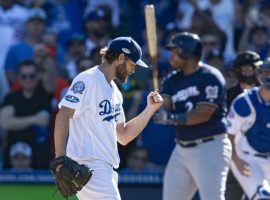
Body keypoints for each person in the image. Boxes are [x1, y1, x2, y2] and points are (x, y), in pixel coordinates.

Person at [53, 37, 163, 200]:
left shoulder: (115, 92)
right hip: (89, 164)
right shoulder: (88, 79)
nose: (133, 70)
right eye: (132, 64)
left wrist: (150, 109)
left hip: (106, 168)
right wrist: (60, 156)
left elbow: (124, 136)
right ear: (120, 58)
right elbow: (63, 114)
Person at [154, 32, 231, 200]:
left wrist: (171, 118)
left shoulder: (210, 76)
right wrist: (157, 104)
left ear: (187, 53)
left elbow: (203, 114)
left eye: (175, 51)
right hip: (181, 148)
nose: (171, 55)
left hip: (210, 146)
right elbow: (165, 107)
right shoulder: (171, 80)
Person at [227, 58, 270, 200]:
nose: (268, 76)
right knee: (262, 197)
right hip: (247, 158)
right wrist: (235, 160)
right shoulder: (245, 102)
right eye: (265, 72)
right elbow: (229, 135)